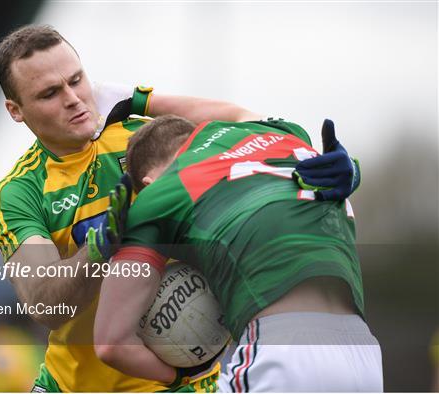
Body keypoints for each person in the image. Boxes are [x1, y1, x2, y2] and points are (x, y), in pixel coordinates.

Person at [0, 24, 271, 392]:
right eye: (50, 93)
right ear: (16, 110)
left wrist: (141, 101)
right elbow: (45, 305)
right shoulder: (18, 192)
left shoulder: (145, 138)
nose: (73, 98)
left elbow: (245, 123)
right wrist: (100, 246)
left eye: (77, 80)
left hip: (179, 382)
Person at [93, 115, 383, 392]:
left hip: (280, 353)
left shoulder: (159, 195)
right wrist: (142, 99)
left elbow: (111, 344)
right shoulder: (283, 137)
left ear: (147, 183)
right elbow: (235, 113)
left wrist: (186, 372)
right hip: (364, 354)